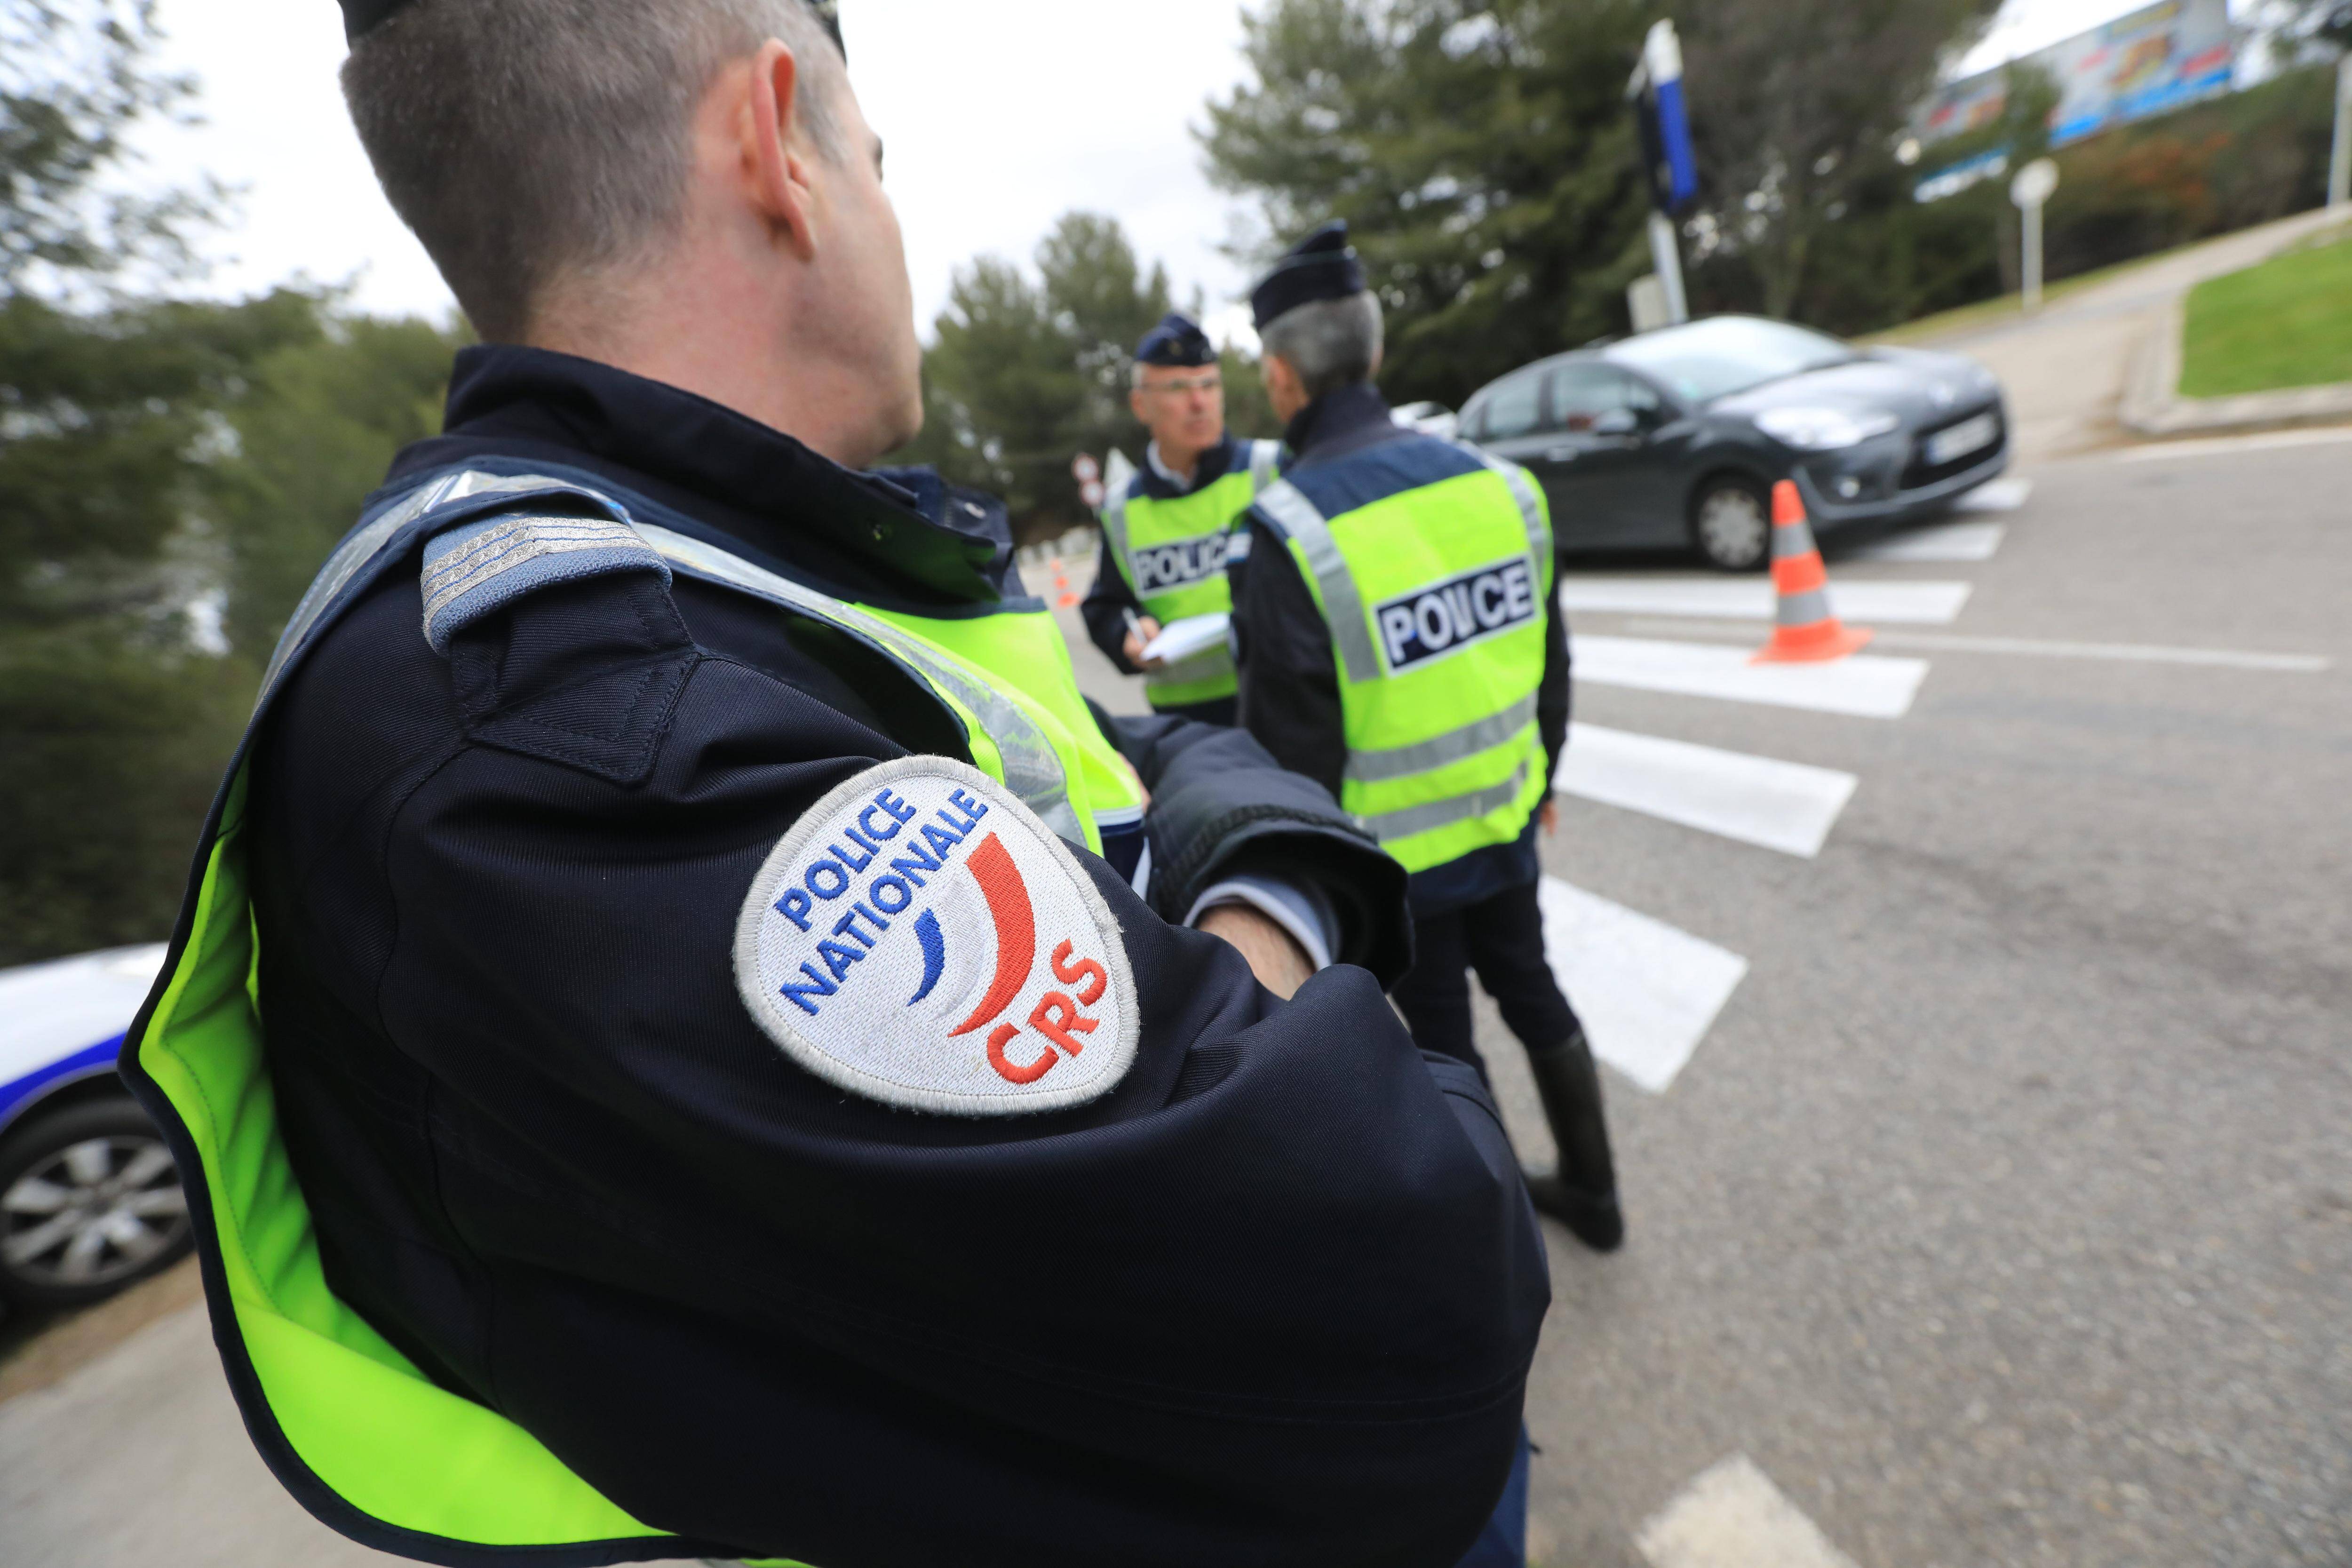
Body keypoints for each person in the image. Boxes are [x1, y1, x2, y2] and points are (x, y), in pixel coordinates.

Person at [115, 7, 1550, 1568]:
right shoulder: (566, 718)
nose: (891, 213)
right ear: (778, 145)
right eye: (877, 158)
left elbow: (1150, 752)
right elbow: (1417, 1274)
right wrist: (1276, 934)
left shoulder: (740, 565)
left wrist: (1243, 908)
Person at [1231, 222, 1625, 1255]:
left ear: (1281, 376)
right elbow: (1550, 667)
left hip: (1398, 867)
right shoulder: (1501, 485)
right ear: (1375, 349)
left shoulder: (1289, 531)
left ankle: (1507, 1253)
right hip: (1507, 816)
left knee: (1446, 1044)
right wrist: (1539, 781)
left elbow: (1293, 756)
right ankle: (1596, 1193)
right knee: (1534, 987)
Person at [1078, 312, 1281, 726]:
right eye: (1177, 388)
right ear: (1141, 405)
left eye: (1209, 384)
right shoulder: (1120, 508)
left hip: (1283, 702)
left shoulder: (1272, 468)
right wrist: (1127, 633)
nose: (1199, 402)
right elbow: (1107, 605)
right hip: (1186, 727)